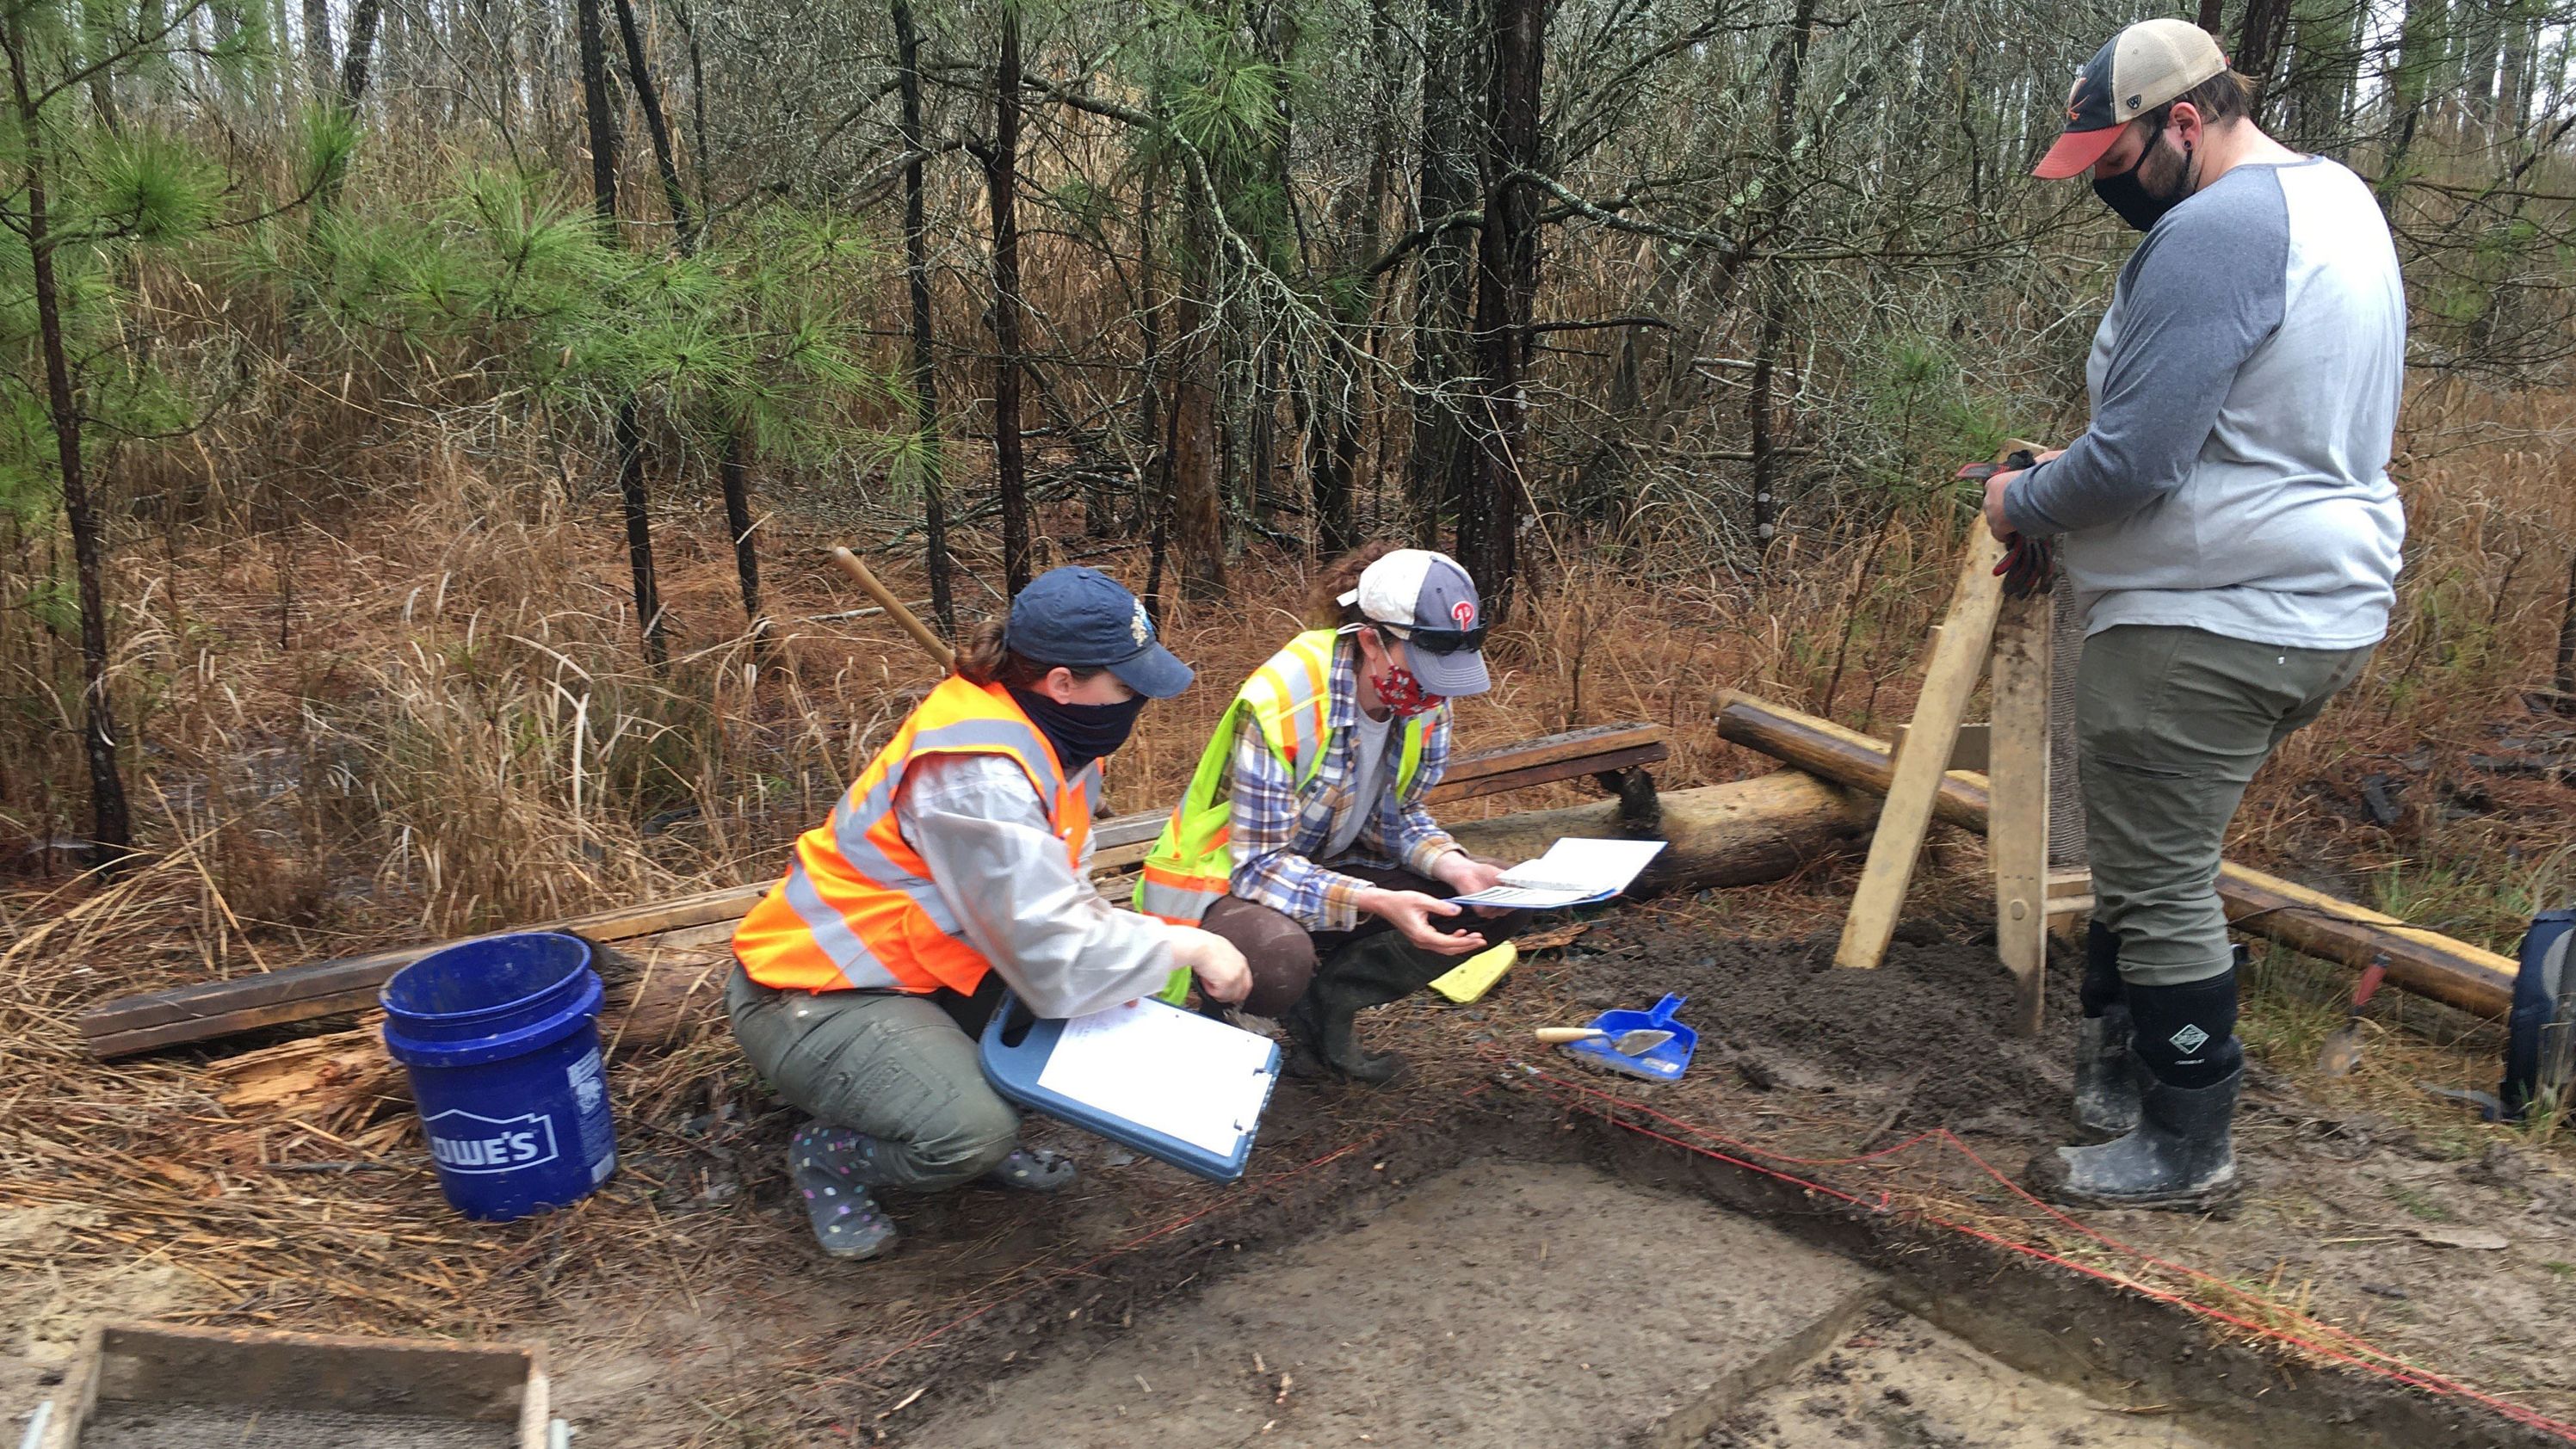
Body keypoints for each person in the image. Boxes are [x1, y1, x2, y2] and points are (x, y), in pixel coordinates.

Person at [1990, 19, 2405, 1209]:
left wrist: (2023, 500)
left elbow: (2132, 465)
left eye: (2113, 165)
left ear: (2184, 122)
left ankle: (2184, 1140)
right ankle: (2116, 1070)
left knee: (2163, 881)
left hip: (2206, 615)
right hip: (2313, 602)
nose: (2105, 192)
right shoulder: (2331, 200)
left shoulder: (2214, 231)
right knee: (2146, 853)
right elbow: (2249, 420)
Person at [727, 566, 1251, 1260]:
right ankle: (830, 1157)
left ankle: (958, 1098)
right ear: (1062, 682)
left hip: (925, 969)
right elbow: (1051, 948)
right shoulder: (978, 769)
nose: (1137, 703)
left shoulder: (1061, 745)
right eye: (1126, 687)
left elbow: (1061, 899)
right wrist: (1189, 947)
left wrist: (1130, 963)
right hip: (815, 993)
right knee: (969, 1131)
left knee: (1078, 1027)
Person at [1136, 545, 1523, 1083]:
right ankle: (1219, 1033)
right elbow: (1260, 866)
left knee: (1498, 903)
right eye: (1431, 669)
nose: (1441, 690)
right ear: (1371, 639)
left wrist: (1453, 866)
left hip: (1322, 860)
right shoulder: (1282, 697)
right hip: (1221, 880)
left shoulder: (1425, 694)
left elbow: (1394, 817)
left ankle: (1328, 1011)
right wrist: (1375, 900)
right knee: (1279, 960)